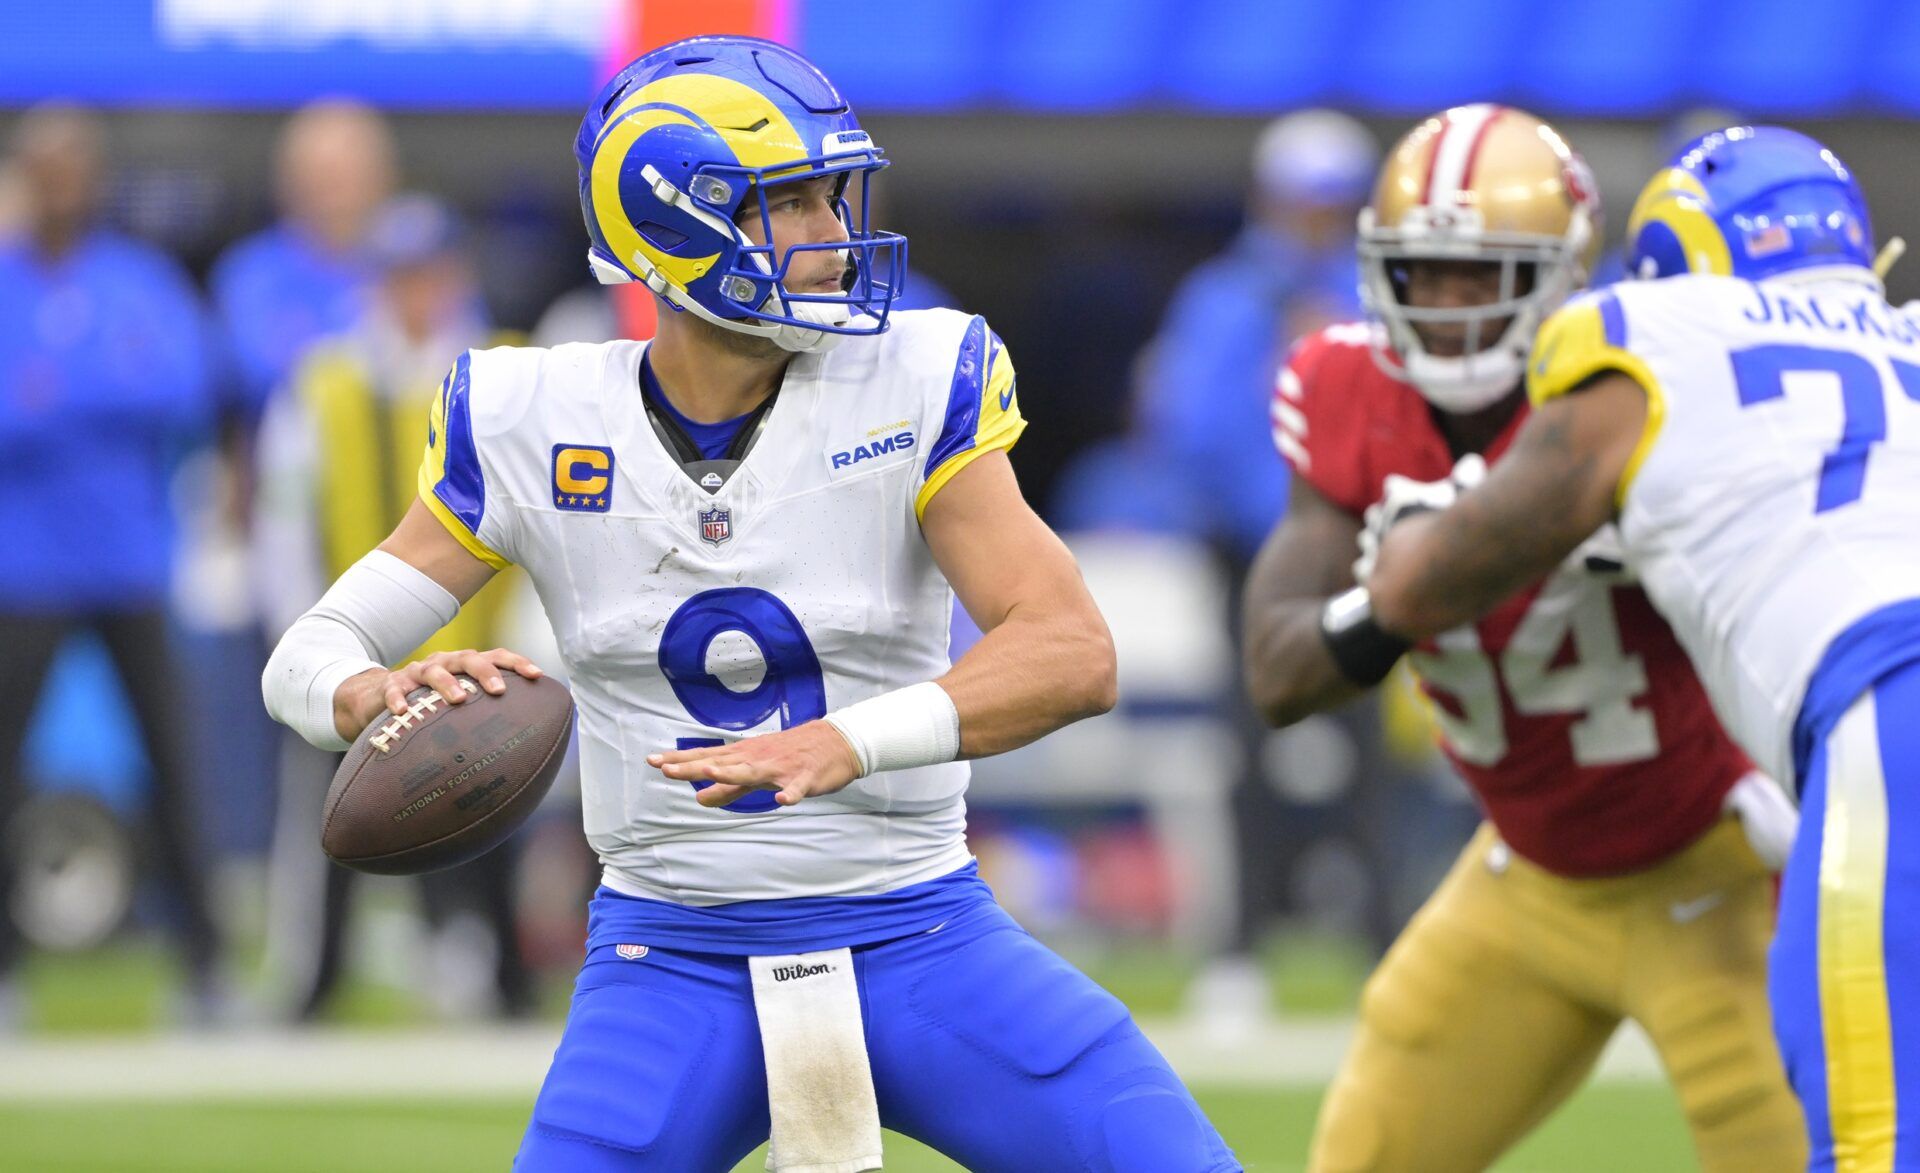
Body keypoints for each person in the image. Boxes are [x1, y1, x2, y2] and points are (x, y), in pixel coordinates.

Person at [262, 36, 1239, 1173]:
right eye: (795, 204)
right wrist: (367, 691)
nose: (835, 239)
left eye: (833, 196)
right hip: (669, 959)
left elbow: (1073, 651)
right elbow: (307, 652)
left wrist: (847, 743)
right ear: (671, 222)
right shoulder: (533, 411)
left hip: (922, 932)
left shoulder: (916, 379)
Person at [1243, 105, 1807, 1172]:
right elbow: (1277, 672)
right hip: (1525, 874)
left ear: (1563, 273)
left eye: (1485, 272)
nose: (1452, 306)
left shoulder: (1637, 390)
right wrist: (1401, 594)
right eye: (1427, 273)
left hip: (1712, 869)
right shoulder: (1344, 387)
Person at [1359, 126, 1920, 1172]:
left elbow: (1430, 579)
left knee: (1873, 1140)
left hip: (1890, 707)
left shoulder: (1645, 331)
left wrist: (1417, 537)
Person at [253, 195, 533, 1021]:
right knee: (333, 817)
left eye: (429, 272)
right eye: (400, 275)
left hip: (480, 648)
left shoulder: (501, 372)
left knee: (495, 814)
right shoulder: (325, 382)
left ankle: (507, 980)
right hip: (362, 653)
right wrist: (307, 647)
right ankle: (314, 982)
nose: (416, 292)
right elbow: (283, 515)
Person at [0, 105, 223, 1020]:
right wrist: (94, 390)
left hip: (130, 559)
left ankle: (205, 968)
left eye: (73, 168)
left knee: (173, 759)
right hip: (24, 567)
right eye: (43, 169)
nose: (60, 186)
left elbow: (184, 386)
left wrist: (53, 390)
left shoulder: (139, 279)